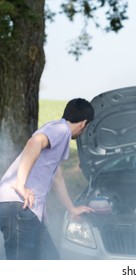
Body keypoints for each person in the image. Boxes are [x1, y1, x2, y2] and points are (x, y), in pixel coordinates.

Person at [0, 98, 95, 260]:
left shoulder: (59, 136)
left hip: (27, 210)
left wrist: (71, 209)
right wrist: (21, 184)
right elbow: (34, 142)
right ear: (83, 123)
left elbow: (57, 178)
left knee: (50, 259)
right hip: (19, 206)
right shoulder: (60, 130)